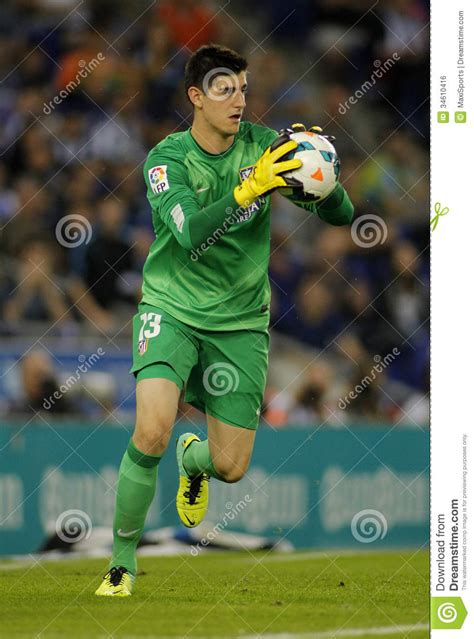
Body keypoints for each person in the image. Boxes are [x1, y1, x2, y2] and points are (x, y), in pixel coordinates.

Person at [95, 43, 354, 596]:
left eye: (242, 88)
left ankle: (197, 462)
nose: (239, 99)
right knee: (152, 428)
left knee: (232, 467)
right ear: (196, 97)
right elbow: (189, 233)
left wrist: (319, 168)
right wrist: (250, 187)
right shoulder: (166, 159)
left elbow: (344, 215)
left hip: (239, 324)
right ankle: (121, 562)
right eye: (224, 89)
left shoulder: (266, 147)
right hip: (172, 308)